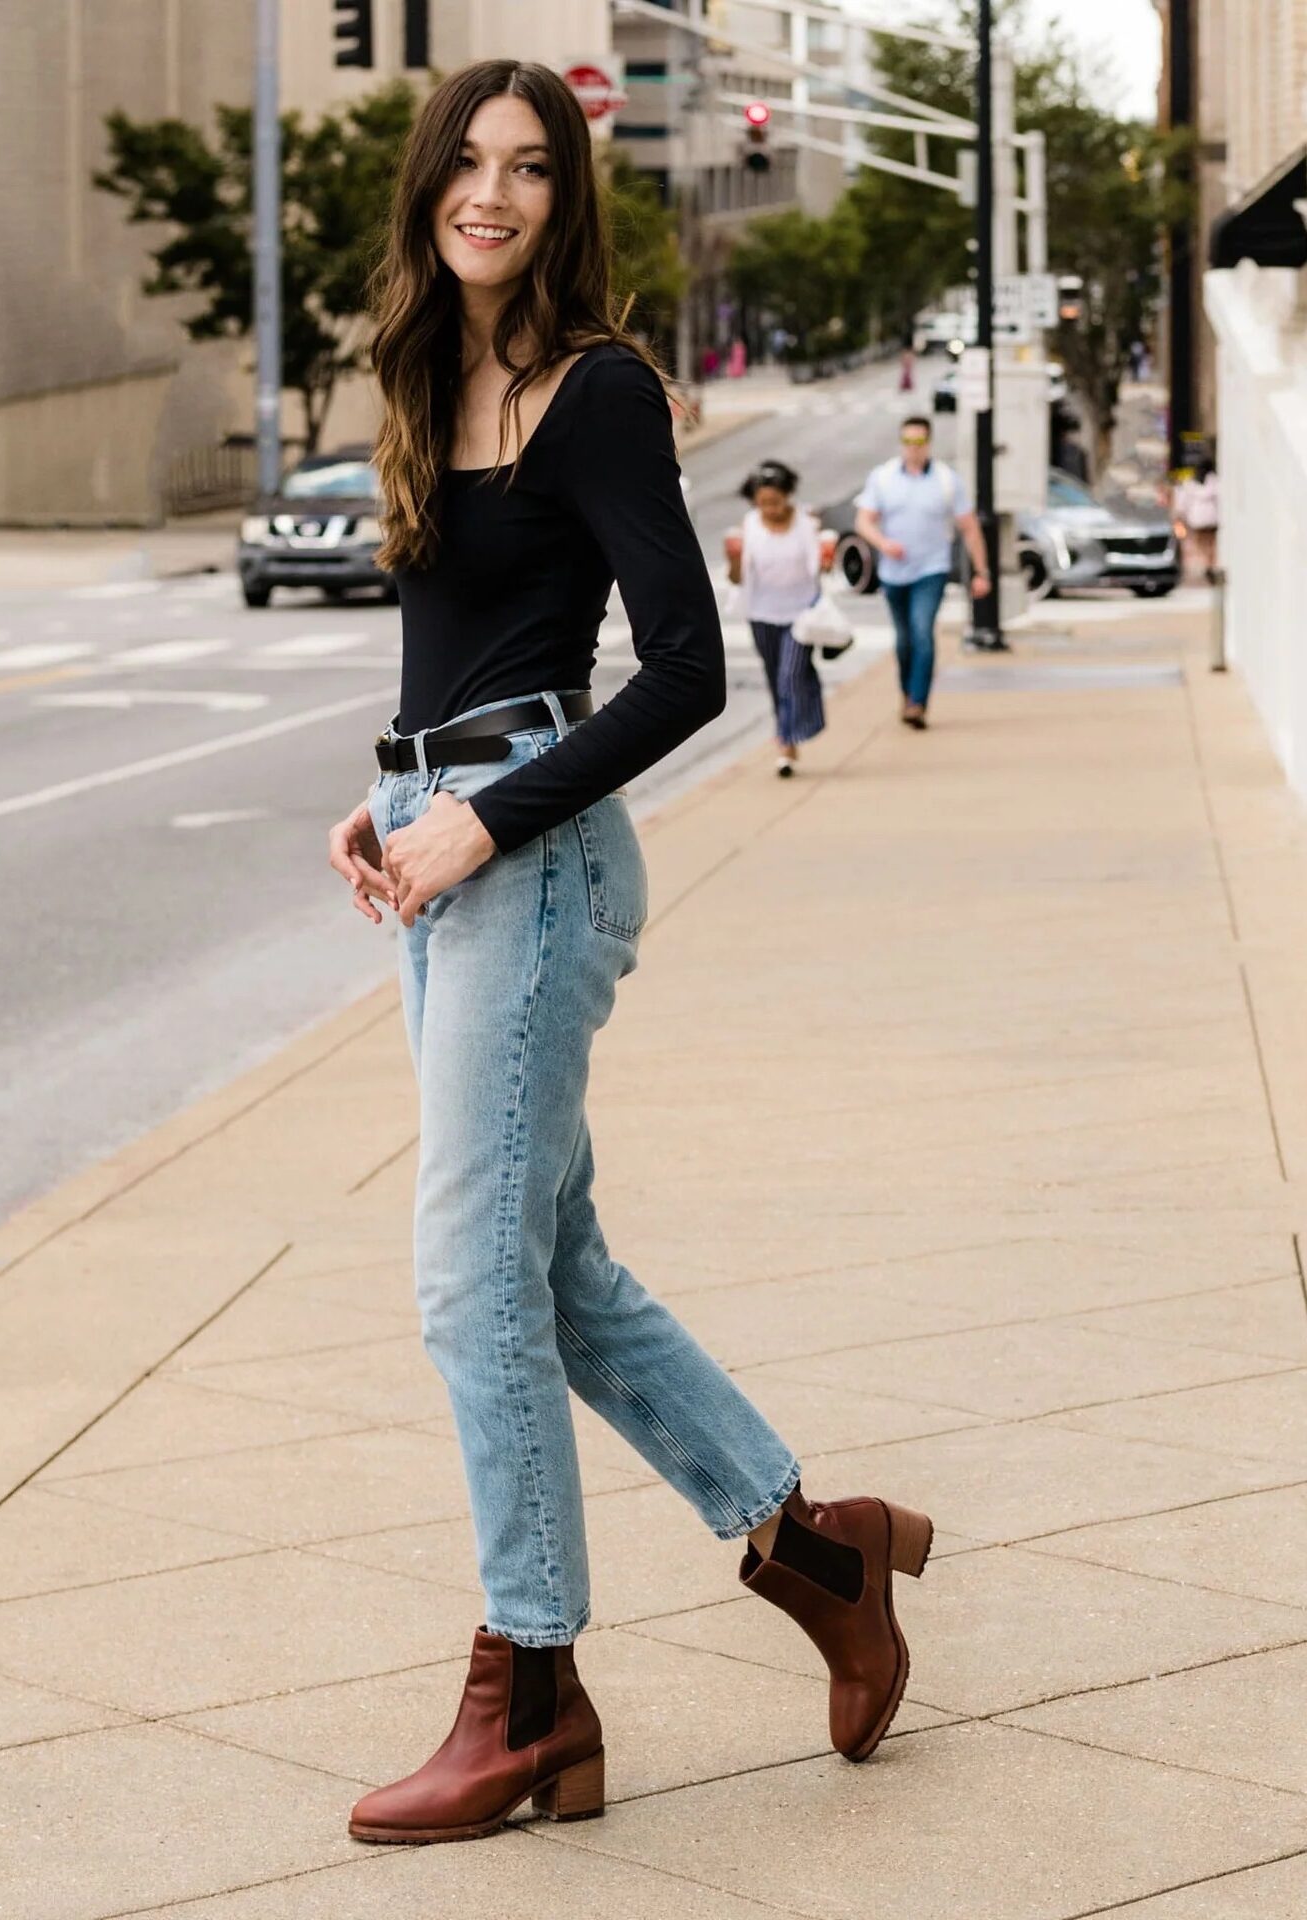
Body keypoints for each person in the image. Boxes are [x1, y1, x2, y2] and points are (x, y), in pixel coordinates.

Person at [326, 59, 934, 1847]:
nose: (491, 194)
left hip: (534, 864)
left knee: (468, 1283)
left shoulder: (594, 392)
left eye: (529, 168)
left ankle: (530, 1693)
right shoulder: (424, 375)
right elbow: (472, 643)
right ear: (429, 185)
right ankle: (820, 1554)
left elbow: (683, 667)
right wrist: (393, 791)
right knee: (558, 1271)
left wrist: (483, 817)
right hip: (448, 842)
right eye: (467, 163)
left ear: (565, 197)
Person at [855, 415, 991, 729]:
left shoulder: (946, 480)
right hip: (894, 572)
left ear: (928, 443)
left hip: (931, 569)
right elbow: (863, 521)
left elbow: (970, 527)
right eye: (908, 441)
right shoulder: (883, 477)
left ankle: (918, 702)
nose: (913, 447)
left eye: (919, 441)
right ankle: (906, 693)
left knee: (922, 633)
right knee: (903, 641)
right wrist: (883, 543)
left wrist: (981, 571)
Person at [727, 459, 827, 775]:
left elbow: (819, 569)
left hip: (801, 614)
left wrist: (827, 556)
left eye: (775, 501)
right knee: (776, 678)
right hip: (761, 614)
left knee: (790, 675)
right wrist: (733, 558)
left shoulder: (806, 524)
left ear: (787, 496)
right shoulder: (749, 525)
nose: (769, 509)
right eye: (763, 503)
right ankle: (786, 730)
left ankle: (785, 741)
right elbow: (737, 578)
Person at [1173, 459, 1219, 582]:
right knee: (1210, 544)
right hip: (1210, 518)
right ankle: (1210, 563)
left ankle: (1208, 564)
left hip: (1199, 519)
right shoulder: (1214, 482)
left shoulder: (1189, 485)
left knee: (1203, 544)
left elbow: (1181, 505)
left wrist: (1180, 517)